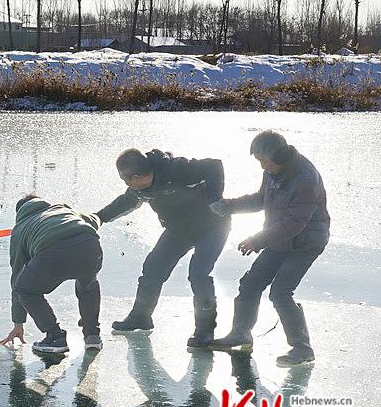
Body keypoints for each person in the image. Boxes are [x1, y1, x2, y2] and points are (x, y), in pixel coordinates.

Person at [209, 131, 329, 366]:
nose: (263, 166)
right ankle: (240, 334)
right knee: (250, 283)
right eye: (259, 162)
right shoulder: (272, 172)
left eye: (265, 161)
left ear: (281, 155)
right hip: (279, 238)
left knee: (281, 292)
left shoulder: (306, 179)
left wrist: (258, 240)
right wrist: (228, 206)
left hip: (306, 243)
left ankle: (302, 349)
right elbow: (260, 199)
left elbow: (295, 223)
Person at [95, 148, 230, 349]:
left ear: (135, 177)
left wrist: (214, 199)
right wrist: (97, 218)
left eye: (125, 180)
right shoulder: (139, 188)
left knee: (198, 274)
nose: (126, 185)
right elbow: (125, 203)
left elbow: (214, 165)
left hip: (212, 227)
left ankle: (204, 332)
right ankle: (140, 317)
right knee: (153, 268)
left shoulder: (176, 169)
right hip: (179, 230)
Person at [0, 194, 104, 353]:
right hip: (90, 246)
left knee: (24, 288)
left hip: (54, 251)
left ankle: (55, 337)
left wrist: (18, 323)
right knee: (88, 285)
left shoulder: (20, 229)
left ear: (19, 213)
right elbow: (91, 219)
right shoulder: (61, 209)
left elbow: (17, 277)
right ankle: (92, 336)